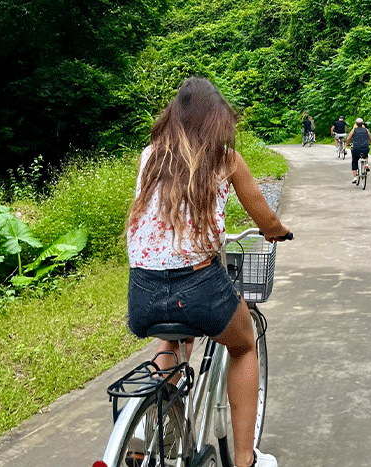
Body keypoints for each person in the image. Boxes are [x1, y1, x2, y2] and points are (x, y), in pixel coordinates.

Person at [126, 76, 290, 467]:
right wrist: (277, 231)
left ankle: (143, 436)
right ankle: (246, 458)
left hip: (143, 291)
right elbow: (263, 216)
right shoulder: (225, 159)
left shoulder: (150, 155)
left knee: (171, 341)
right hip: (198, 286)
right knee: (244, 343)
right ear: (217, 120)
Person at [346, 117, 371, 184]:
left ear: (356, 124)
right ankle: (366, 163)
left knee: (354, 160)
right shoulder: (366, 130)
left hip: (356, 148)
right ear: (362, 124)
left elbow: (348, 138)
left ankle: (355, 177)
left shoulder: (354, 130)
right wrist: (369, 143)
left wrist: (348, 144)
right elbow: (370, 137)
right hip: (365, 148)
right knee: (365, 155)